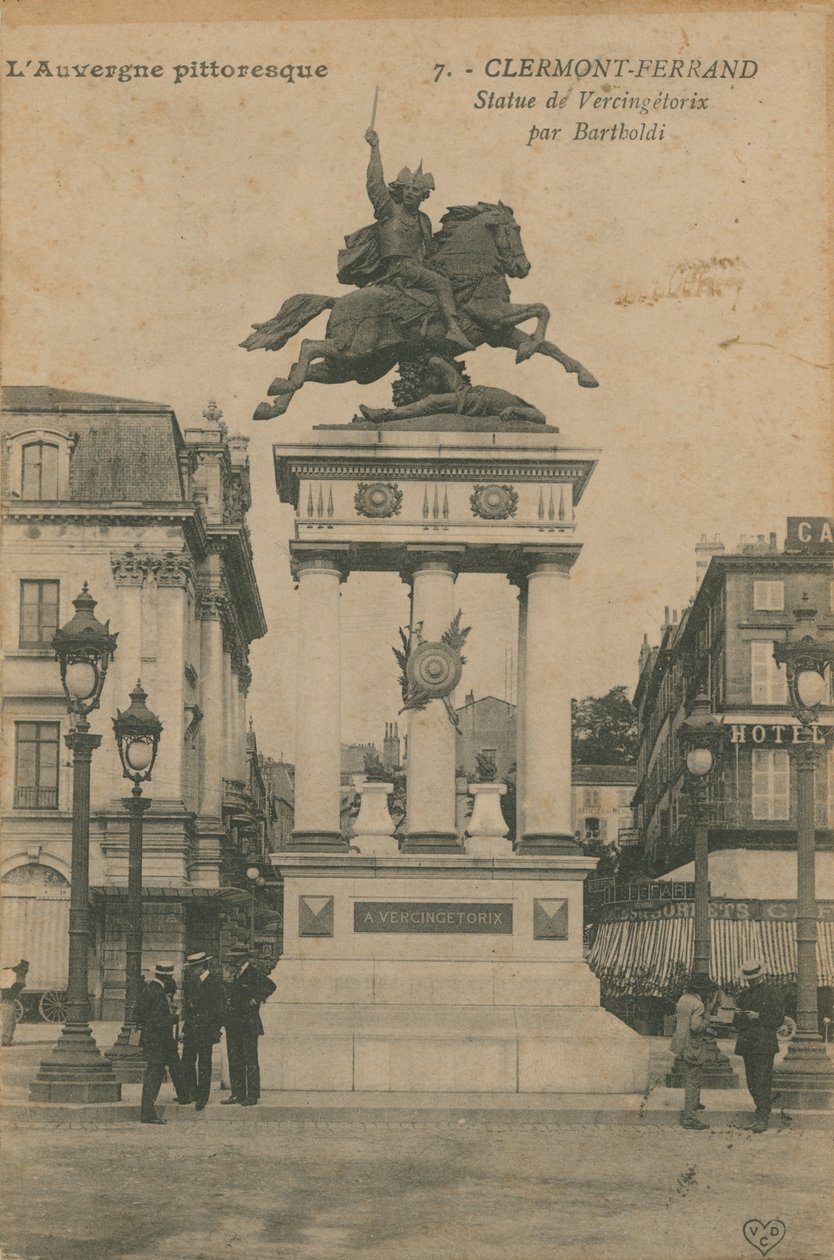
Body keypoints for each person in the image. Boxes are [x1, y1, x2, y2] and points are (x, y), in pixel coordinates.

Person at [338, 128, 472, 352]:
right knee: (441, 283)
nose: (410, 192)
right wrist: (375, 149)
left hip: (416, 269)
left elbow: (427, 250)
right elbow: (374, 183)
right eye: (408, 188)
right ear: (403, 190)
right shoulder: (389, 210)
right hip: (398, 270)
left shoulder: (424, 221)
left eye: (416, 190)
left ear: (423, 196)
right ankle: (453, 328)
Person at [356, 355, 546, 426]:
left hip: (475, 404)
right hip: (470, 390)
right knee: (435, 362)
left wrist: (514, 410)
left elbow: (540, 417)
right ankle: (415, 410)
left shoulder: (522, 410)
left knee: (432, 402)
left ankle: (384, 415)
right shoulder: (518, 401)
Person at [733, 957, 785, 1133]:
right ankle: (760, 1114)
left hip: (764, 1045)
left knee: (762, 1082)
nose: (750, 982)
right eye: (748, 980)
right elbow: (736, 1024)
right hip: (748, 1044)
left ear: (759, 976)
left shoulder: (772, 993)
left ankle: (763, 1118)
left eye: (752, 979)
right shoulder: (743, 995)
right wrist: (739, 1016)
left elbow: (778, 1020)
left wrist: (759, 1017)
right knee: (752, 1082)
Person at [135, 961, 189, 1124]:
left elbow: (139, 1014)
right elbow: (158, 1020)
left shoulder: (150, 989)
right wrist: (174, 1017)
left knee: (174, 1064)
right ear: (167, 978)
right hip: (157, 1041)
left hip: (159, 1040)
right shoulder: (156, 993)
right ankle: (148, 1113)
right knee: (154, 1075)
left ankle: (184, 1096)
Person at [222, 946, 276, 1107]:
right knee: (235, 1059)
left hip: (248, 1023)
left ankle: (252, 1095)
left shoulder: (253, 973)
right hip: (234, 1023)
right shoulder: (236, 974)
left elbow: (271, 986)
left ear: (243, 958)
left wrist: (257, 999)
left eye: (235, 957)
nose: (232, 959)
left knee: (250, 1060)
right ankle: (237, 1094)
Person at [670, 974, 719, 1130]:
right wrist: (708, 1018)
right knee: (693, 1078)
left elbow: (677, 1020)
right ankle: (689, 1117)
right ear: (703, 991)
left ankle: (695, 1102)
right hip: (693, 1044)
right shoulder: (698, 1005)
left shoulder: (683, 999)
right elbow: (696, 1027)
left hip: (681, 1042)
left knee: (692, 1075)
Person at [180, 951, 225, 1111]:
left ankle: (202, 1097)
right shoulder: (192, 982)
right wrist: (184, 1029)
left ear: (200, 967)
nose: (191, 971)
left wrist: (215, 1029)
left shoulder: (215, 982)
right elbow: (188, 1010)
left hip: (206, 1030)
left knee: (204, 1064)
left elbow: (220, 1010)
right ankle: (192, 1091)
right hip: (192, 1029)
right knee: (188, 1061)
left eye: (193, 968)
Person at [1, 960, 29, 1046]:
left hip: (9, 1002)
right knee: (9, 1021)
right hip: (8, 1002)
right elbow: (8, 993)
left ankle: (7, 1039)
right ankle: (6, 1040)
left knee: (11, 1022)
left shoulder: (9, 977)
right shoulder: (13, 978)